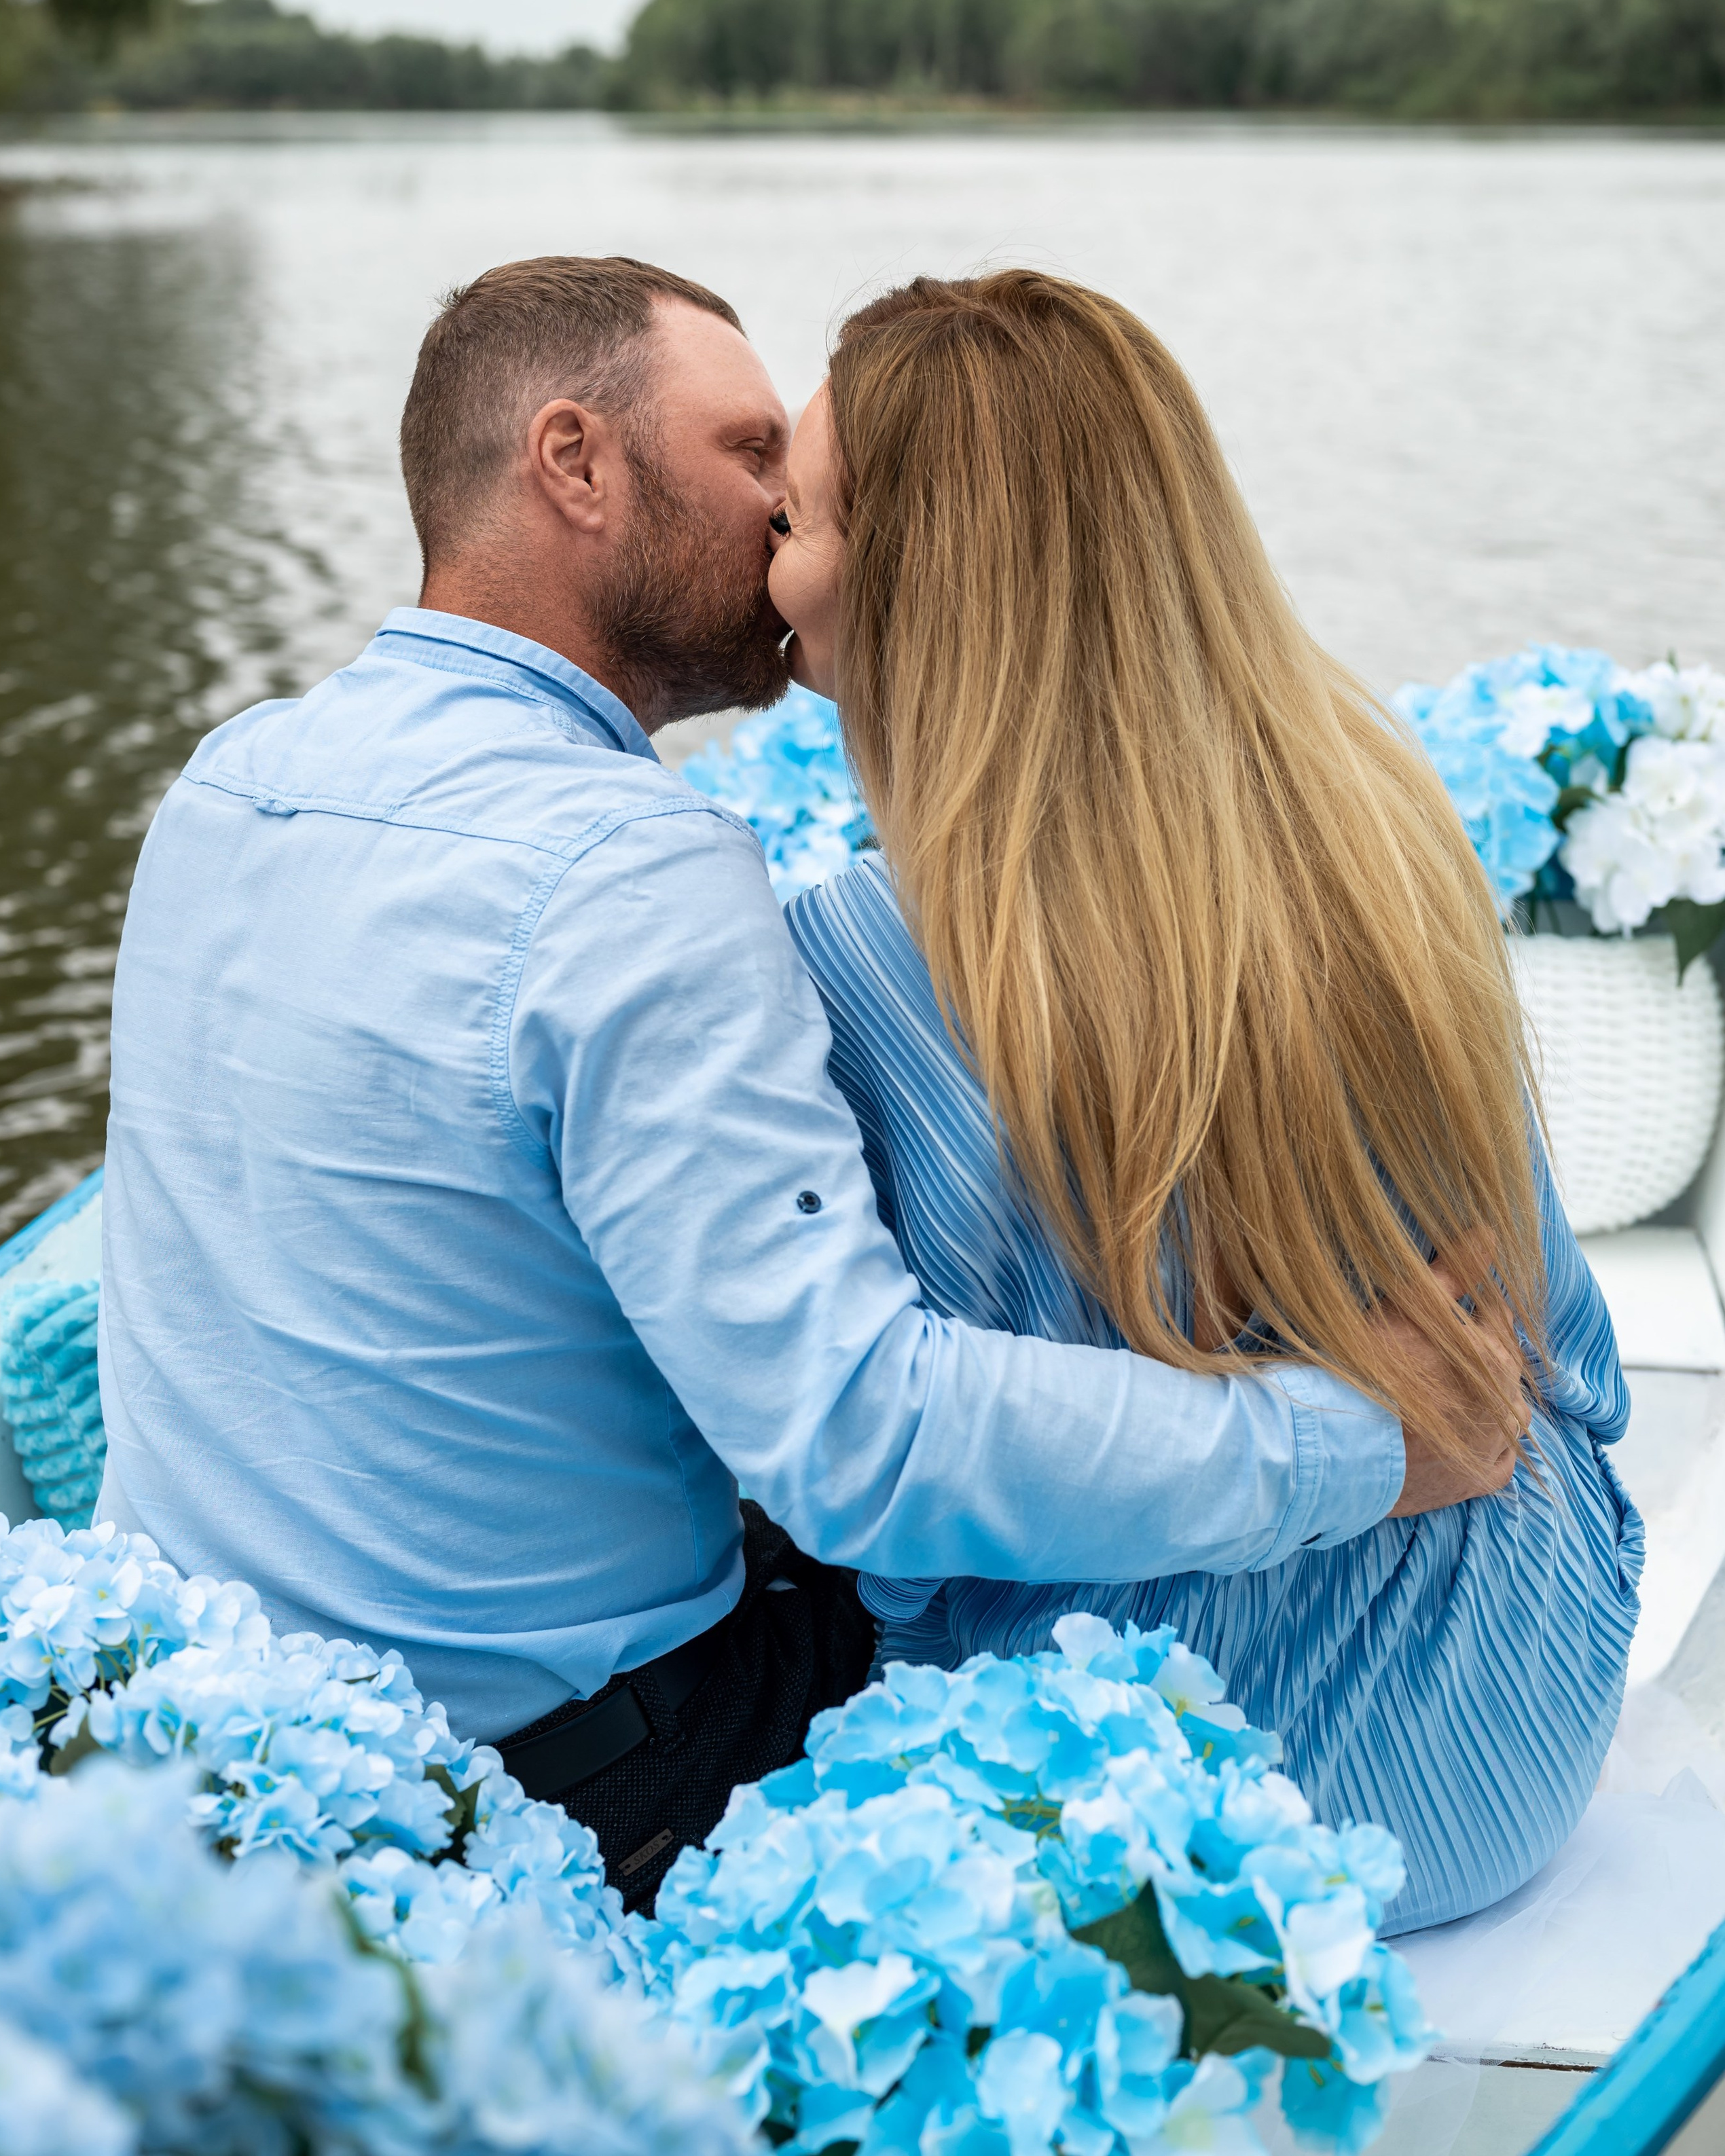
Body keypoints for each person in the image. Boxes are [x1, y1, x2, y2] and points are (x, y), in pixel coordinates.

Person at [98, 255, 1522, 1911]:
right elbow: (858, 1440)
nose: (787, 517)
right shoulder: (628, 872)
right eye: (750, 450)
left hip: (202, 1725)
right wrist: (1354, 1443)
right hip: (566, 1788)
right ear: (576, 463)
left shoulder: (228, 781)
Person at [769, 269, 1641, 1936]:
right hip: (1516, 1717)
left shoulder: (857, 951)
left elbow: (890, 1515)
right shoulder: (1385, 826)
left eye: (797, 518)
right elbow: (1568, 1362)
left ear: (909, 575)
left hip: (1161, 1812)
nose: (767, 564)